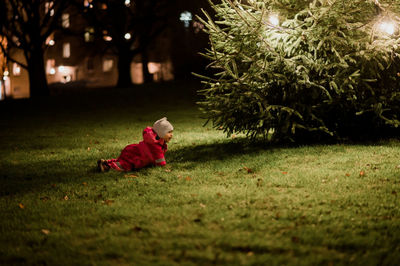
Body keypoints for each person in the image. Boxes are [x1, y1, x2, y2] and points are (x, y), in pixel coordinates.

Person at [97, 117, 173, 172]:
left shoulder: (156, 141)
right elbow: (161, 162)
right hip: (136, 154)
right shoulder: (155, 145)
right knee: (126, 165)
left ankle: (107, 162)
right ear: (161, 133)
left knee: (123, 160)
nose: (171, 135)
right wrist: (164, 166)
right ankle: (107, 166)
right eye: (168, 132)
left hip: (133, 150)